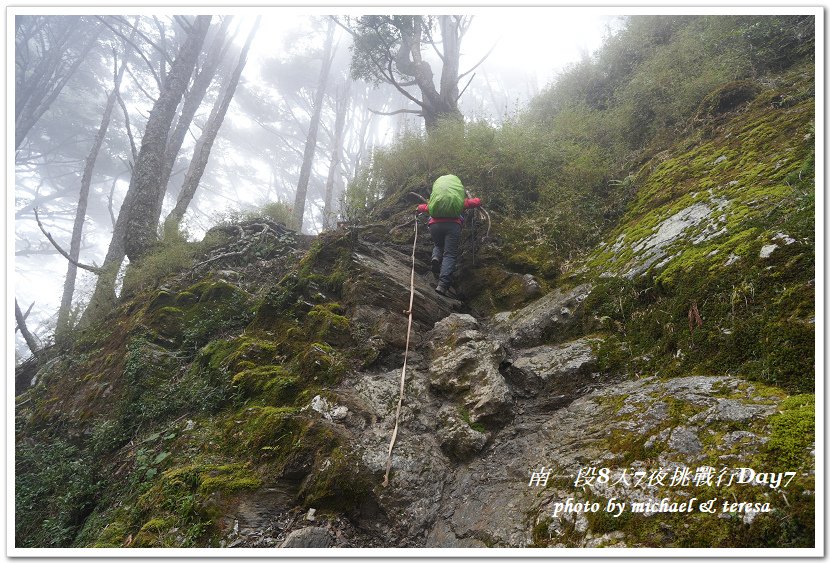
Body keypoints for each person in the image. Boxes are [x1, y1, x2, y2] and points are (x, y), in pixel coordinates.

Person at [416, 175, 481, 296]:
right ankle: (442, 285)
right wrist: (479, 201)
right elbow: (473, 202)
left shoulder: (436, 203)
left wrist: (418, 208)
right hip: (452, 225)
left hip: (435, 226)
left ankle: (435, 258)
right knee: (449, 255)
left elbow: (426, 207)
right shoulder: (457, 202)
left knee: (438, 244)